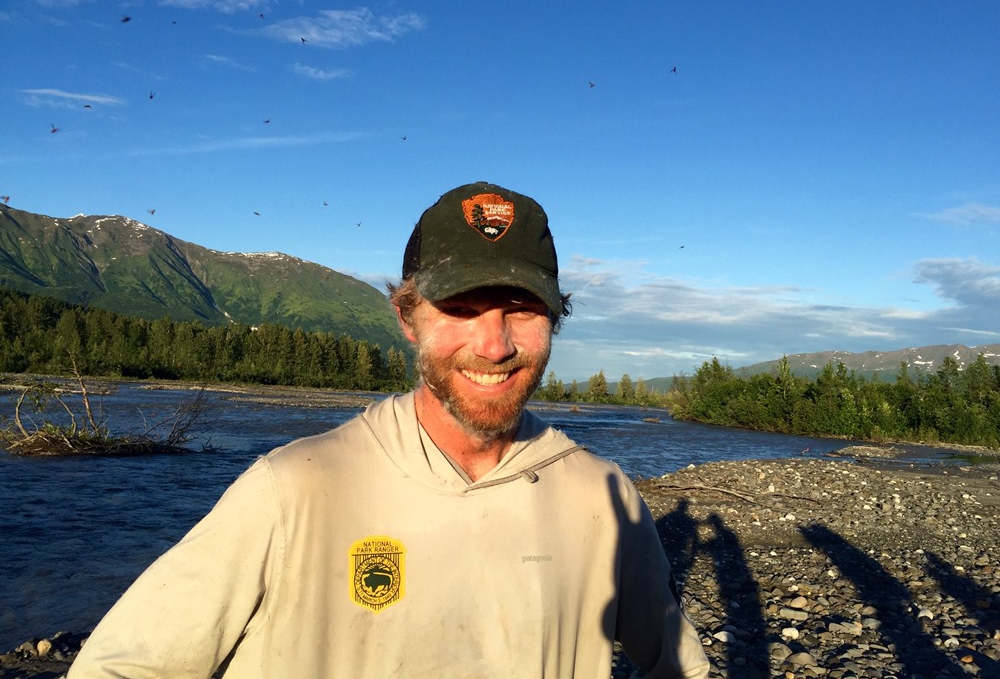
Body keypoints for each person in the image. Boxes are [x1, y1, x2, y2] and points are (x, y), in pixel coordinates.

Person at [69, 182, 709, 678]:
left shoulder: (603, 498)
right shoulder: (294, 488)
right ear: (408, 318)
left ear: (554, 322)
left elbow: (679, 666)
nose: (494, 344)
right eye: (459, 309)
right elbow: (125, 663)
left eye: (522, 308)